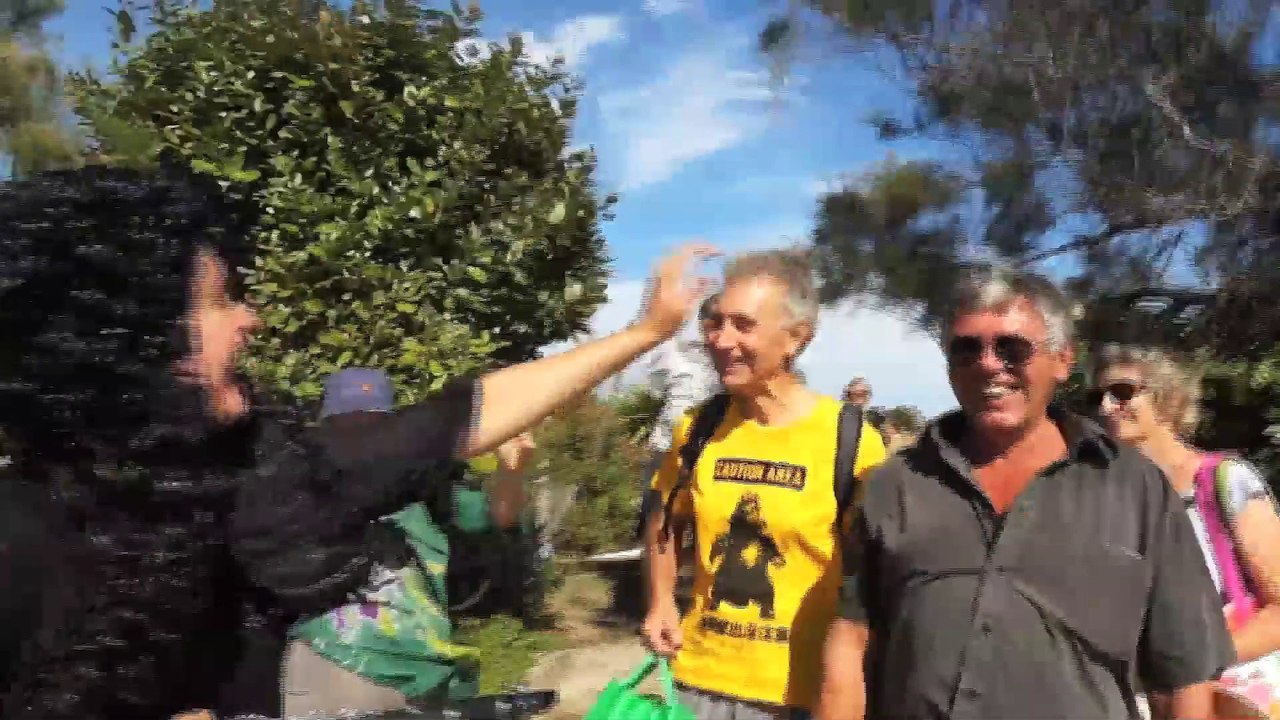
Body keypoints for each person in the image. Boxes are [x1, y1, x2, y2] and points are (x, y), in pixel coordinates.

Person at [0, 164, 713, 720]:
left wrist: (641, 335)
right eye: (220, 300)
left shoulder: (251, 479)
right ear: (133, 339)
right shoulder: (22, 541)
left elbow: (446, 422)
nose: (251, 320)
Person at [817, 266, 1234, 720]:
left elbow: (1184, 677)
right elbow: (851, 639)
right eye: (966, 349)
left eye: (1012, 348)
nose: (989, 364)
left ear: (1062, 360)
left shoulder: (1136, 489)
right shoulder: (895, 484)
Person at [642, 249, 887, 720]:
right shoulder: (697, 428)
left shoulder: (851, 440)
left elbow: (875, 571)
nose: (720, 339)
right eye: (714, 323)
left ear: (796, 338)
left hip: (800, 693)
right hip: (697, 681)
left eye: (742, 325)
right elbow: (663, 519)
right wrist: (659, 603)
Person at [282, 368, 536, 717]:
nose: (362, 433)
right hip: (333, 658)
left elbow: (497, 519)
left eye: (374, 423)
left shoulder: (428, 483)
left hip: (420, 669)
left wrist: (512, 471)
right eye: (349, 422)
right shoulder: (300, 482)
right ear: (326, 429)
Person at [1091, 344, 1280, 718]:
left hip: (1232, 696)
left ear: (1167, 397)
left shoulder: (1223, 480)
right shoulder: (1107, 500)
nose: (1105, 407)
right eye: (1098, 396)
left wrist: (1196, 667)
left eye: (1123, 392)